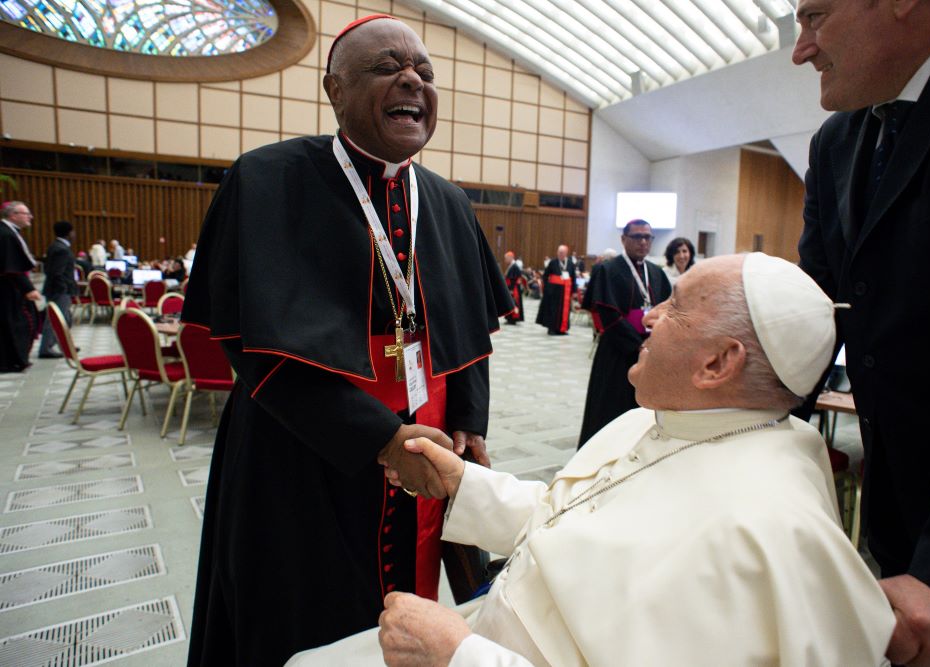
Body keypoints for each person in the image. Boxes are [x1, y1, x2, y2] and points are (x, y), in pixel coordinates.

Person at [286, 253, 896, 667]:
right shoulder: (656, 422)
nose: (649, 317)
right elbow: (575, 519)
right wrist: (464, 483)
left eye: (676, 307)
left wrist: (460, 655)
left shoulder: (765, 532)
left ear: (717, 365)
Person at [181, 13, 512, 666]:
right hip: (301, 455)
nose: (412, 79)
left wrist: (470, 420)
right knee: (304, 617)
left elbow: (469, 333)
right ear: (334, 89)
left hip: (429, 438)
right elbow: (257, 350)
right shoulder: (268, 180)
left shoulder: (446, 201)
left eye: (424, 71)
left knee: (410, 616)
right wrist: (379, 437)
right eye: (388, 67)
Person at [792, 1, 930, 664]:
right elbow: (809, 324)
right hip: (903, 519)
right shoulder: (838, 141)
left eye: (815, 18)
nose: (802, 50)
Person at [578, 219, 671, 446]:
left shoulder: (656, 273)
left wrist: (655, 342)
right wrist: (637, 345)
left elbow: (668, 308)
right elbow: (607, 315)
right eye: (637, 237)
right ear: (623, 239)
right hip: (617, 352)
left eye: (647, 237)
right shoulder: (607, 270)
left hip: (651, 350)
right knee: (611, 405)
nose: (642, 242)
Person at [0, 201, 41, 373]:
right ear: (13, 215)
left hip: (8, 287)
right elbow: (12, 267)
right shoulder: (6, 234)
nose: (30, 217)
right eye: (26, 213)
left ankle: (12, 360)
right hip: (8, 289)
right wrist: (28, 289)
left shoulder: (8, 232)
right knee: (17, 323)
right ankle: (12, 361)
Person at [38, 220, 78, 358]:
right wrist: (64, 289)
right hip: (59, 291)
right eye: (73, 231)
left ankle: (65, 345)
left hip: (57, 289)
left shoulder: (56, 246)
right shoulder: (61, 249)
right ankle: (46, 348)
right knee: (55, 319)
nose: (74, 234)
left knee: (66, 319)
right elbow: (56, 273)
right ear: (69, 233)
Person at [535, 244, 576, 335]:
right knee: (552, 310)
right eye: (559, 252)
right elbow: (545, 276)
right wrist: (547, 288)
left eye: (562, 252)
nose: (560, 254)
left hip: (565, 292)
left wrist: (574, 291)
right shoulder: (552, 262)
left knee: (563, 311)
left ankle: (562, 329)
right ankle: (551, 328)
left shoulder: (570, 264)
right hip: (553, 292)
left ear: (566, 253)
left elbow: (573, 278)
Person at [502, 251, 525, 325]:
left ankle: (513, 318)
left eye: (506, 258)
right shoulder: (511, 266)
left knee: (514, 303)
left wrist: (511, 289)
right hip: (511, 287)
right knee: (510, 303)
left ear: (510, 258)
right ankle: (509, 318)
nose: (505, 260)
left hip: (513, 289)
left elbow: (513, 279)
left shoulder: (514, 266)